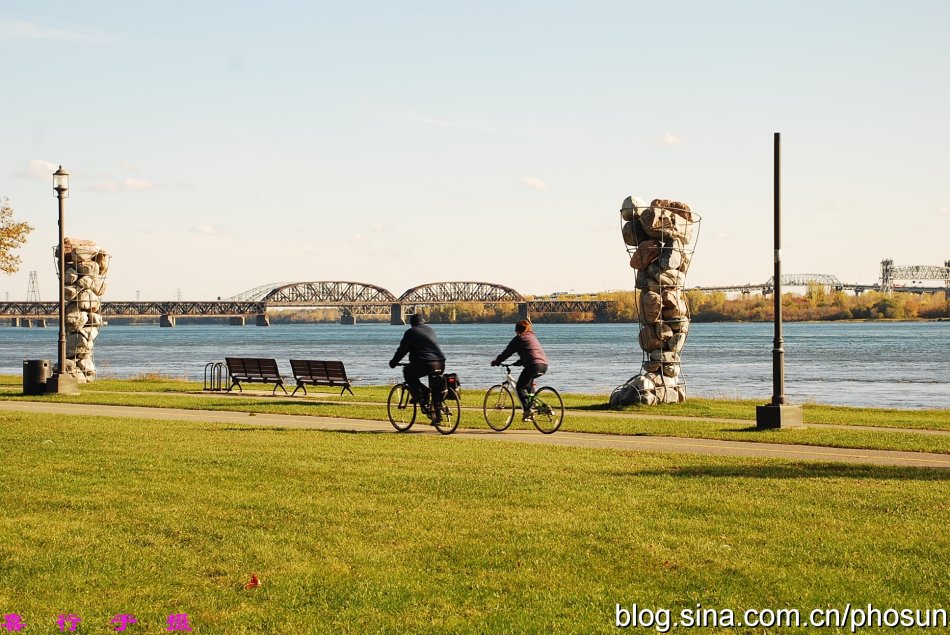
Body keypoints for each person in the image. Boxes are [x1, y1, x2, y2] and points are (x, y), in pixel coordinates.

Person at [389, 313, 446, 421]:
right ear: (423, 322)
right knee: (434, 386)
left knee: (408, 372)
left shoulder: (411, 332)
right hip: (440, 362)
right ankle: (437, 413)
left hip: (424, 363)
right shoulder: (431, 330)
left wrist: (393, 362)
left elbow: (402, 350)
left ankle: (419, 394)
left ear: (412, 324)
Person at [491, 320, 549, 420]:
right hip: (544, 365)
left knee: (520, 387)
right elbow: (531, 351)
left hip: (532, 366)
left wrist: (496, 361)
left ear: (517, 330)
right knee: (528, 384)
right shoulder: (532, 337)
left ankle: (527, 410)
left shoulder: (518, 339)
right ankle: (535, 405)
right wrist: (520, 361)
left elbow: (506, 353)